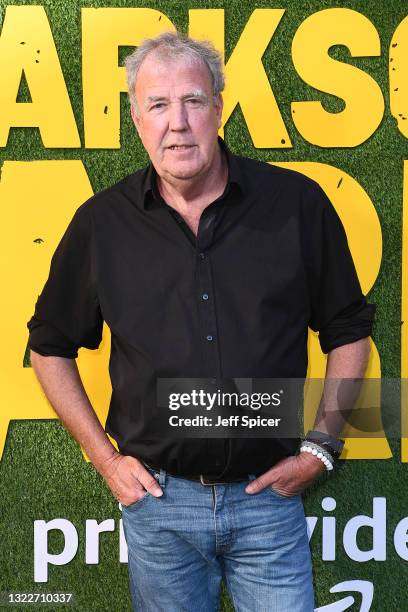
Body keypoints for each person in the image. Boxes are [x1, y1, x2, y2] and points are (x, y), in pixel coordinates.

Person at [27, 32, 375, 611]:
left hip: (270, 505)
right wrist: (106, 461)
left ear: (219, 107)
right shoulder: (102, 225)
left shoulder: (295, 204)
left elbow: (348, 329)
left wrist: (321, 448)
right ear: (136, 121)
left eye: (192, 101)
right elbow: (48, 345)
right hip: (159, 509)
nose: (177, 123)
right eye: (158, 106)